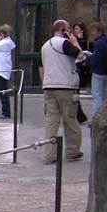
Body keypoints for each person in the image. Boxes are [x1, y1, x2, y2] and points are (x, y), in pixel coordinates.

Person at [40, 19, 87, 163]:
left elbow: (41, 66)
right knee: (70, 120)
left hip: (49, 86)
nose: (71, 32)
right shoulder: (64, 43)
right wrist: (74, 41)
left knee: (51, 122)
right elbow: (80, 55)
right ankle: (72, 151)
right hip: (66, 86)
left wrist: (44, 82)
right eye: (68, 29)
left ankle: (49, 154)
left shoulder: (45, 45)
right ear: (63, 30)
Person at [88, 22, 107, 119]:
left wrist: (90, 59)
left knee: (97, 96)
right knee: (105, 96)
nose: (92, 33)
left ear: (99, 31)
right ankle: (105, 116)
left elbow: (97, 60)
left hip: (99, 72)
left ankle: (97, 117)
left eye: (94, 31)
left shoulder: (99, 43)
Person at [72, 22, 90, 124]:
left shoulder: (81, 41)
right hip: (77, 67)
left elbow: (80, 52)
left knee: (75, 93)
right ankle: (79, 115)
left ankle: (80, 116)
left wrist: (77, 40)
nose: (76, 31)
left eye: (78, 29)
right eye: (75, 29)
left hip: (79, 68)